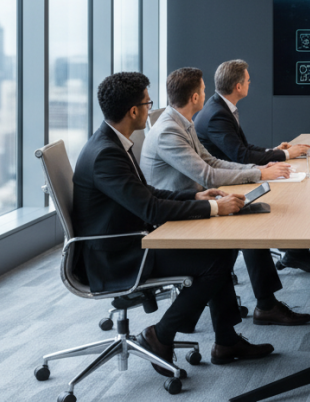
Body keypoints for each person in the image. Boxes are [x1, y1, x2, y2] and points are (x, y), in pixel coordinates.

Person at [71, 72, 273, 375]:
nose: (152, 107)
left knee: (222, 249)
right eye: (147, 102)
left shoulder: (112, 142)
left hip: (130, 239)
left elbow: (146, 193)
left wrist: (195, 195)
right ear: (134, 111)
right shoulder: (105, 155)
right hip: (116, 256)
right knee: (216, 260)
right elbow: (150, 208)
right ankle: (161, 334)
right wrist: (213, 207)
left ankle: (226, 341)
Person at [141, 67, 310, 326]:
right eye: (202, 88)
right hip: (175, 213)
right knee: (249, 229)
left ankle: (241, 327)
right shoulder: (168, 131)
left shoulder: (181, 123)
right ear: (195, 98)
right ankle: (262, 309)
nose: (206, 91)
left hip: (195, 199)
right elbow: (208, 174)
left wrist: (257, 170)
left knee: (252, 217)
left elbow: (211, 161)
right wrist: (257, 174)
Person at [194, 59, 310, 274]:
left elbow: (242, 148)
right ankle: (290, 262)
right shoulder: (217, 115)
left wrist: (272, 151)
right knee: (287, 193)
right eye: (247, 80)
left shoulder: (219, 106)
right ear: (238, 87)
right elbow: (241, 155)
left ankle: (296, 253)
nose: (249, 83)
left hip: (235, 173)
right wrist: (284, 154)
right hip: (227, 183)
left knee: (292, 188)